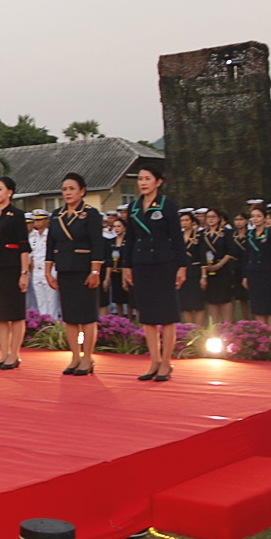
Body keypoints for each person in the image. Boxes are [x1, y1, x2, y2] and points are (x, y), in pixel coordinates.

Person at [123, 163, 188, 383]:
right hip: (141, 265)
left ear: (158, 182)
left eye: (147, 178)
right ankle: (154, 361)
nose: (143, 183)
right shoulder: (133, 207)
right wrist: (126, 266)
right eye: (140, 179)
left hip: (164, 265)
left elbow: (177, 238)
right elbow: (129, 239)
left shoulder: (167, 205)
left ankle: (166, 362)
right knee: (148, 317)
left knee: (167, 317)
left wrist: (182, 266)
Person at [46, 173, 105, 376]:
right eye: (64, 189)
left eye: (72, 189)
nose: (68, 193)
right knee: (70, 317)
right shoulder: (57, 215)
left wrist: (95, 271)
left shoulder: (91, 214)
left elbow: (98, 245)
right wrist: (48, 272)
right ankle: (75, 356)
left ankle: (87, 357)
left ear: (82, 191)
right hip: (64, 270)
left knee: (87, 317)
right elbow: (51, 245)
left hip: (84, 270)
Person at [0, 176, 31, 369]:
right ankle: (3, 354)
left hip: (12, 267)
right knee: (0, 314)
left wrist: (24, 272)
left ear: (10, 192)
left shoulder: (17, 215)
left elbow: (24, 246)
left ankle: (14, 354)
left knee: (15, 313)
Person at [242, 205, 271, 330]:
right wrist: (245, 276)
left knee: (269, 305)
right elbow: (246, 256)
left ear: (265, 218)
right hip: (253, 273)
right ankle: (262, 333)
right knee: (257, 305)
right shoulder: (249, 234)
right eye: (253, 216)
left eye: (259, 216)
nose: (256, 219)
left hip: (268, 273)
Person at [200, 208, 235, 325]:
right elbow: (200, 254)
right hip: (208, 270)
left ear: (219, 218)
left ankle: (227, 325)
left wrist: (219, 265)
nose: (210, 219)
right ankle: (214, 326)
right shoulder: (201, 234)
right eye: (208, 217)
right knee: (211, 300)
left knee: (225, 299)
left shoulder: (227, 233)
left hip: (223, 269)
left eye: (213, 217)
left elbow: (231, 251)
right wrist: (204, 273)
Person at [30, 210, 61, 320]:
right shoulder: (33, 237)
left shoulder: (51, 235)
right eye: (35, 220)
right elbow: (32, 255)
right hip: (36, 271)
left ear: (47, 221)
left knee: (51, 300)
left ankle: (53, 323)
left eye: (40, 220)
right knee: (40, 300)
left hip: (49, 269)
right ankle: (43, 324)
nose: (37, 222)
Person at [178, 210, 206, 327]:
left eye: (187, 220)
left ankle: (199, 329)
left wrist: (203, 276)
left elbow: (203, 256)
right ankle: (189, 329)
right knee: (186, 304)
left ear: (192, 222)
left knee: (198, 304)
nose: (184, 223)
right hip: (182, 273)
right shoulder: (178, 237)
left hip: (195, 272)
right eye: (182, 221)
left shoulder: (199, 236)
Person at [107, 218, 133, 318]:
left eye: (119, 226)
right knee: (117, 298)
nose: (116, 229)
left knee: (128, 297)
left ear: (124, 228)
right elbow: (109, 259)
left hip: (126, 272)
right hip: (115, 273)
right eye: (115, 226)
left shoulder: (128, 242)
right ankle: (120, 318)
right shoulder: (111, 242)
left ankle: (130, 318)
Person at [232, 212, 251, 322]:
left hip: (247, 266)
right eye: (236, 220)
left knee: (247, 297)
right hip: (234, 267)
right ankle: (235, 320)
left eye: (241, 219)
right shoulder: (232, 235)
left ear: (246, 221)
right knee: (235, 296)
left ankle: (250, 320)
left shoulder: (250, 235)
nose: (239, 222)